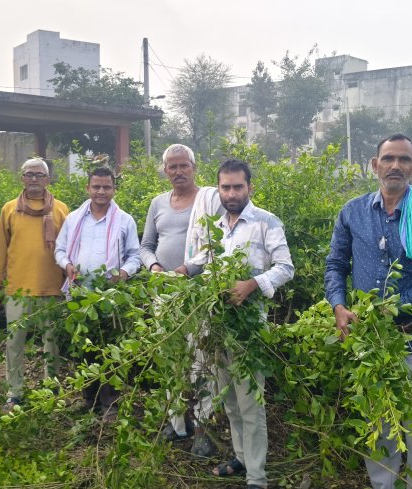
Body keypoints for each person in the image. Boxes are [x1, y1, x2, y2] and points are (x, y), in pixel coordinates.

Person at [324, 134, 412, 489]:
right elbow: (336, 264)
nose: (395, 166)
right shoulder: (353, 211)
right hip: (369, 343)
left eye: (403, 159)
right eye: (388, 159)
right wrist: (338, 305)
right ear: (374, 165)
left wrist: (395, 307)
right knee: (380, 428)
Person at [191, 159, 294, 489]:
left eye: (238, 186)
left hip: (249, 330)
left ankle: (257, 477)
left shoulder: (266, 222)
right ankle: (241, 457)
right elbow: (204, 265)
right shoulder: (216, 225)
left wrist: (251, 284)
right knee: (231, 401)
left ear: (249, 187)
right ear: (218, 189)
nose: (232, 193)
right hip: (217, 327)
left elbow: (285, 268)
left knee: (251, 405)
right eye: (225, 187)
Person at [140, 143, 222, 455]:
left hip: (197, 294)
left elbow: (217, 243)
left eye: (183, 165)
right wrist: (154, 266)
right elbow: (146, 244)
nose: (178, 171)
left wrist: (189, 269)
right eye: (172, 167)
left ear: (194, 167)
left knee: (200, 361)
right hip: (165, 294)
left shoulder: (208, 199)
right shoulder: (158, 203)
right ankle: (177, 424)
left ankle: (202, 426)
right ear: (165, 171)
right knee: (169, 359)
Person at [54, 166, 141, 421]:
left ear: (114, 189)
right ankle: (88, 398)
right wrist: (67, 265)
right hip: (80, 295)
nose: (101, 191)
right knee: (85, 348)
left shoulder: (124, 220)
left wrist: (124, 273)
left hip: (111, 296)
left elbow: (135, 256)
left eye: (106, 187)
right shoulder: (74, 219)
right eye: (96, 186)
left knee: (110, 348)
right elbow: (60, 250)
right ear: (88, 188)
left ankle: (110, 404)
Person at [0, 158, 69, 413]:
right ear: (22, 178)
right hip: (17, 289)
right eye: (29, 174)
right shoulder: (9, 209)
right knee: (14, 343)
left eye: (39, 175)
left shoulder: (61, 210)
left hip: (51, 287)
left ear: (47, 179)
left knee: (51, 342)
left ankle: (51, 388)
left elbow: (69, 249)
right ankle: (15, 392)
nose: (34, 179)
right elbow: (0, 248)